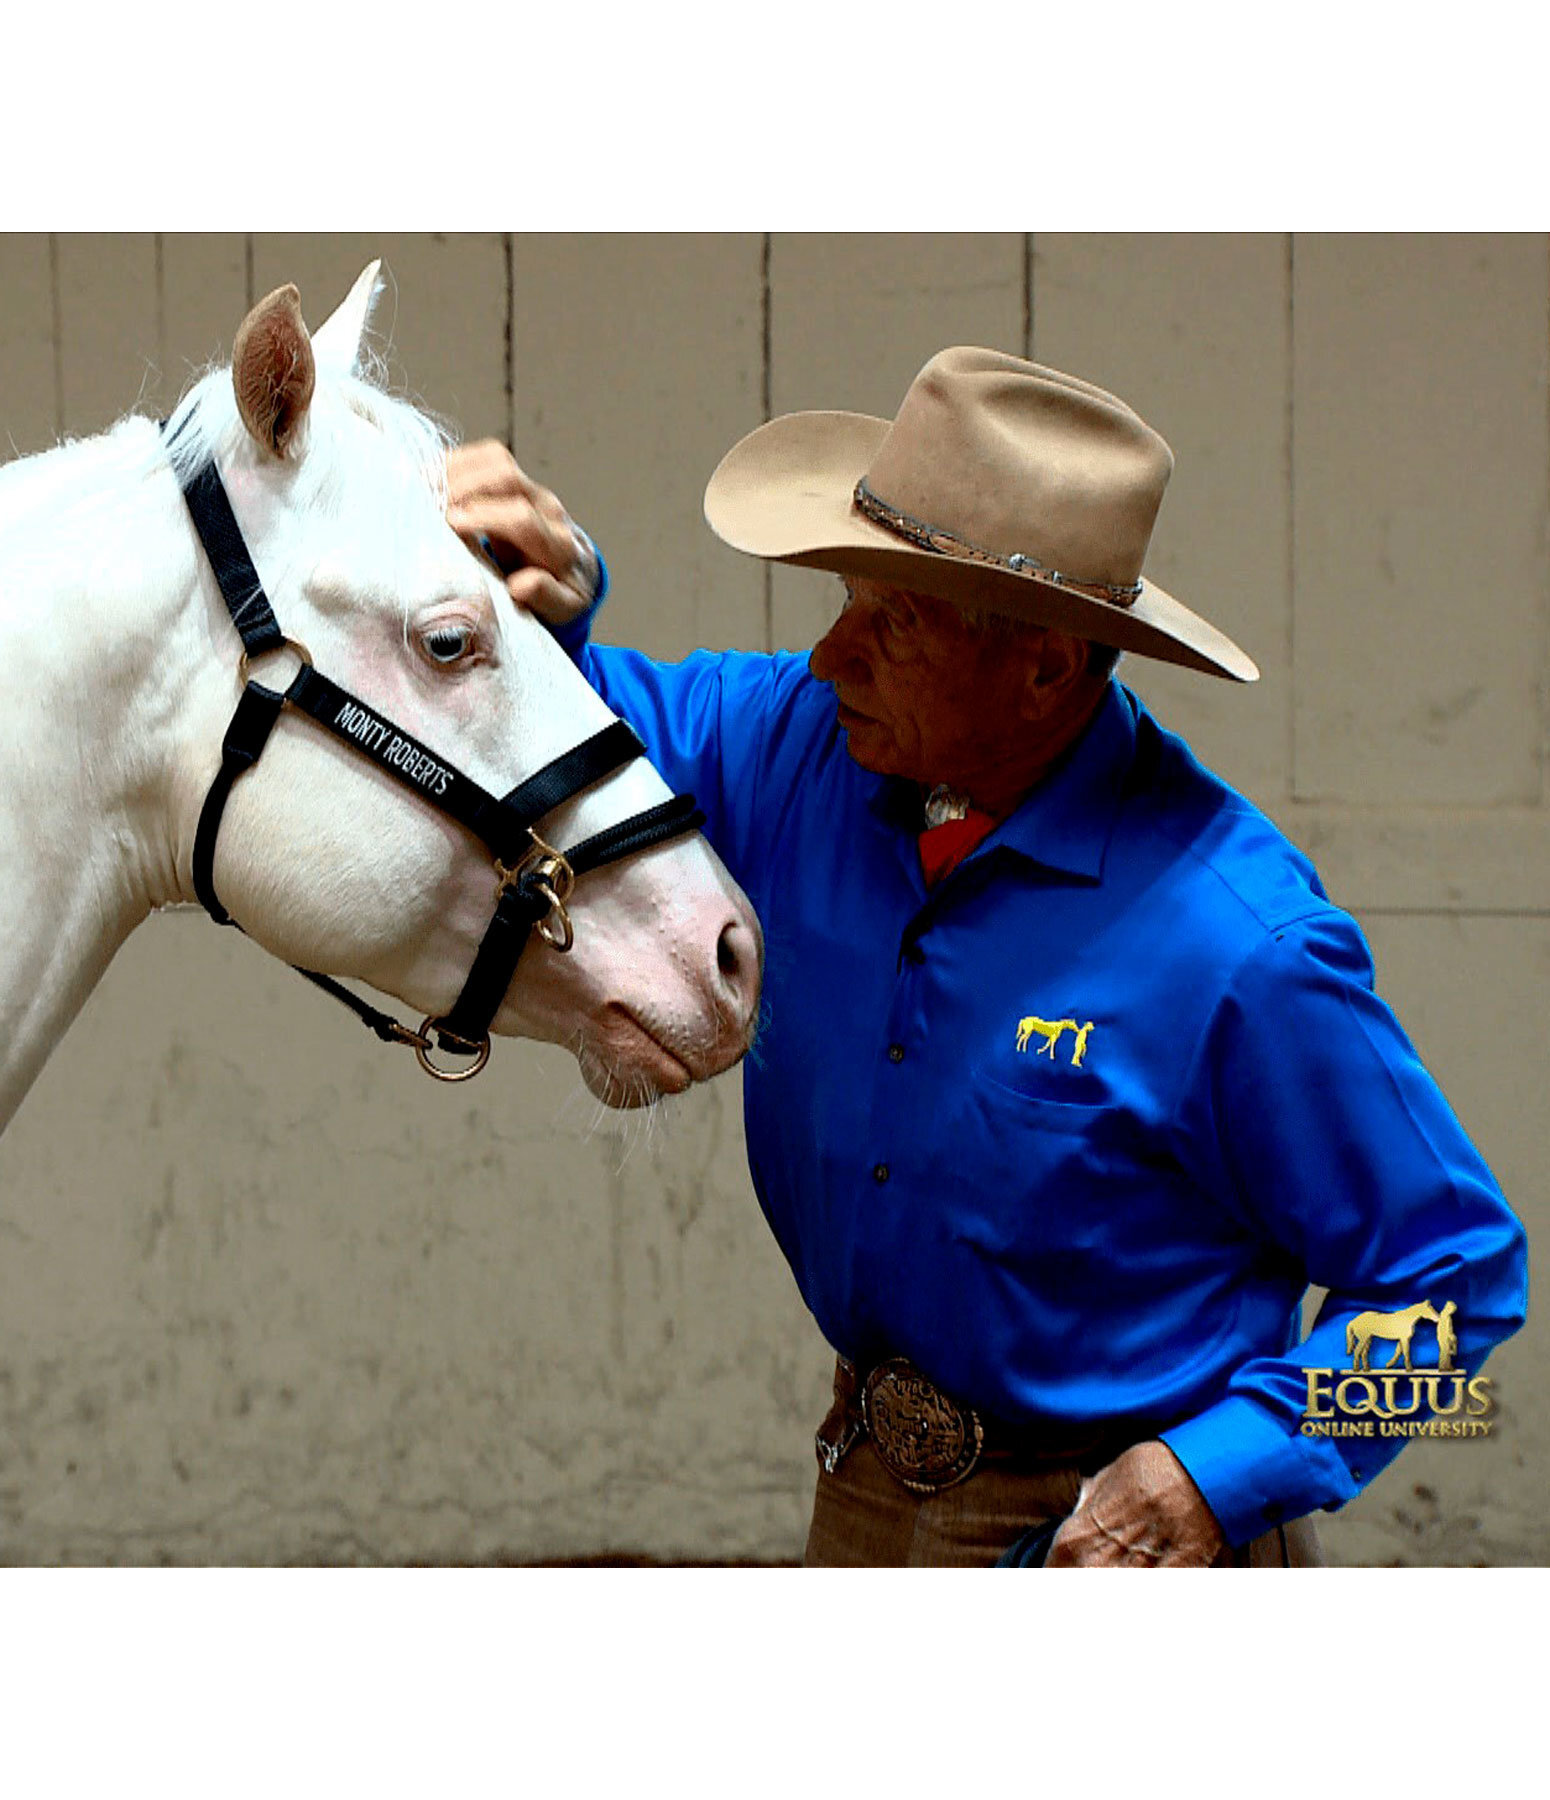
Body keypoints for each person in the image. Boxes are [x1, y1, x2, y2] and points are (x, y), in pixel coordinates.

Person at [446, 348, 1528, 1567]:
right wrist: (558, 593)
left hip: (1130, 1546)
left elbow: (1456, 1288)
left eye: (890, 620)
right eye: (846, 600)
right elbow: (571, 740)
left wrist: (1215, 1475)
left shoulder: (1237, 944)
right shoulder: (806, 747)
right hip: (864, 1491)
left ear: (1045, 666)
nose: (826, 657)